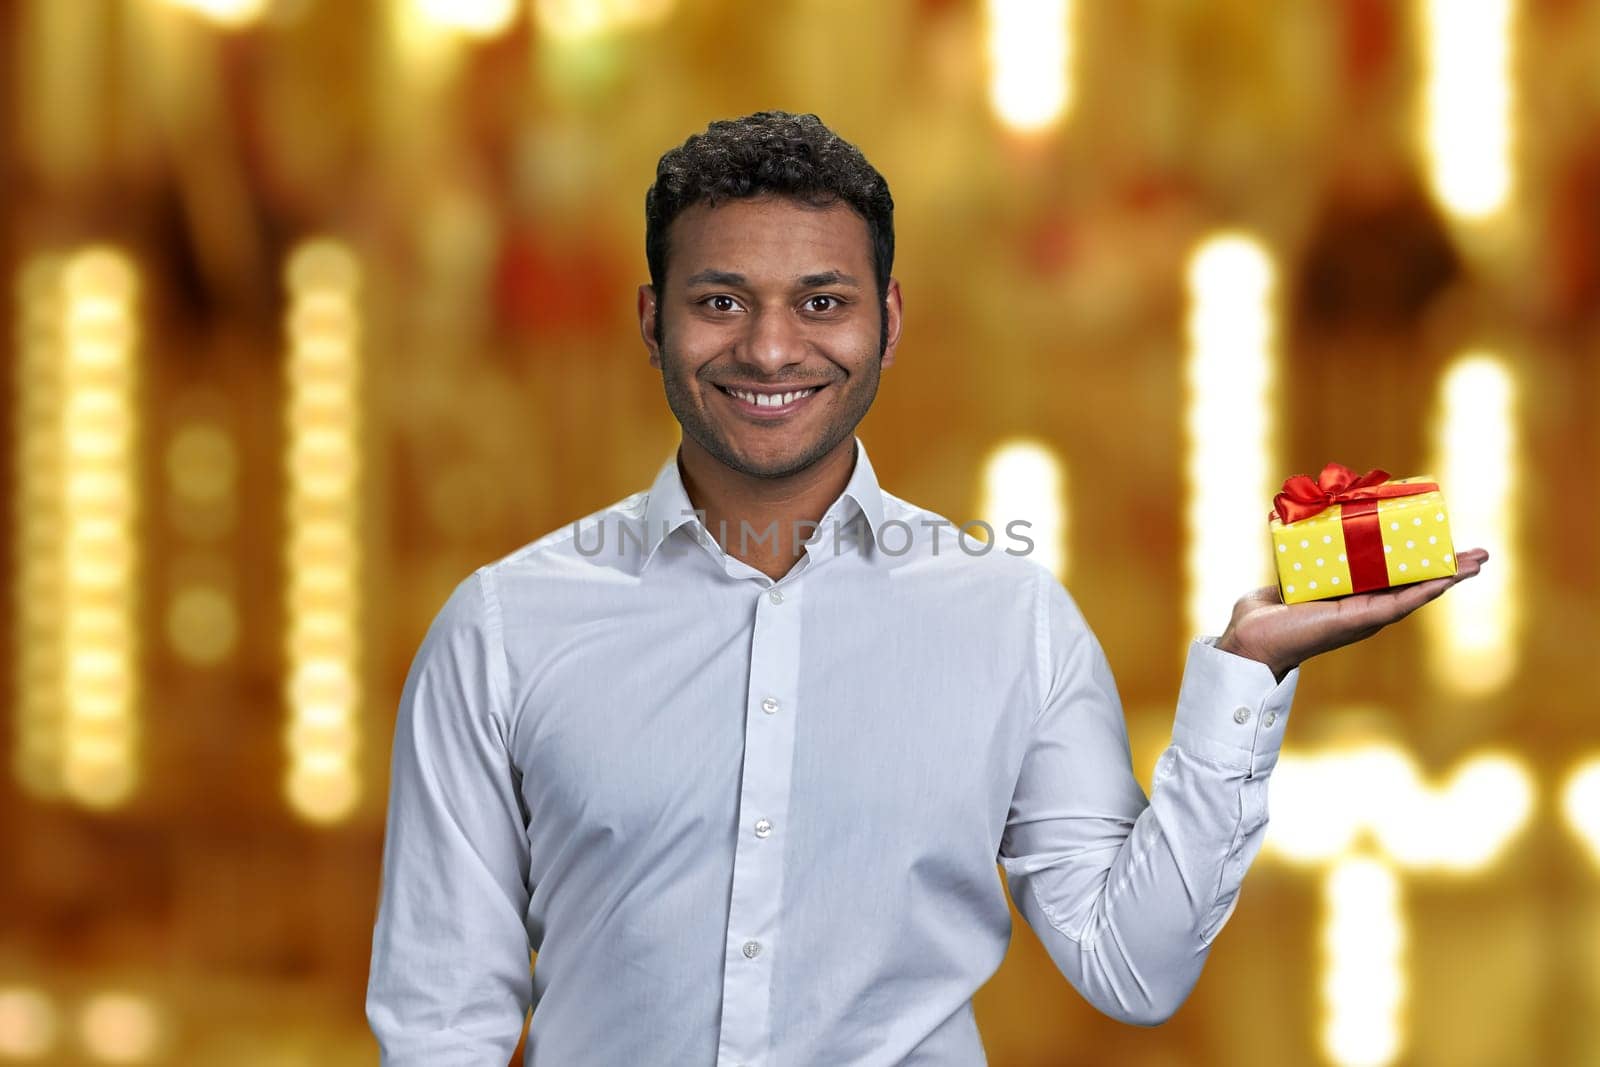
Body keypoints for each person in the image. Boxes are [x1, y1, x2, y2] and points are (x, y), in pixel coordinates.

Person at [364, 110, 1489, 1065]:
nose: (768, 348)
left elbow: (1130, 966)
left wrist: (1246, 674)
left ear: (886, 323)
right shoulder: (505, 628)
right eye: (719, 301)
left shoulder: (1009, 621)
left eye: (819, 302)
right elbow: (437, 1023)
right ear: (652, 320)